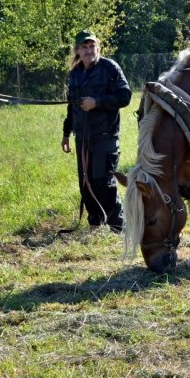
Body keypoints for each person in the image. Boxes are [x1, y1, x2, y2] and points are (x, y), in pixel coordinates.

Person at [61, 30, 132, 232]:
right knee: (86, 182)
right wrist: (66, 133)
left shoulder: (110, 68)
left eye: (92, 46)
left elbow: (125, 96)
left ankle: (118, 226)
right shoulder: (75, 74)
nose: (89, 50)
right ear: (78, 51)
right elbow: (71, 106)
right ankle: (95, 224)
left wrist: (97, 103)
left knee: (104, 182)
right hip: (82, 138)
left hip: (105, 136)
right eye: (84, 47)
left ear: (98, 48)